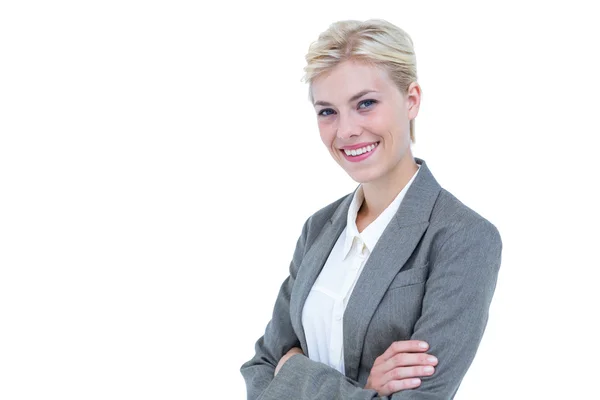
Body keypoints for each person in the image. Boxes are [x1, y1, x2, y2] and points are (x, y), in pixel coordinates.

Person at [240, 18, 503, 400]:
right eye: (327, 111)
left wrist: (293, 372)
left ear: (411, 100)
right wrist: (365, 391)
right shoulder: (318, 228)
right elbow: (261, 368)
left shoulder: (464, 238)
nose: (345, 130)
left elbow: (422, 398)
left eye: (366, 104)